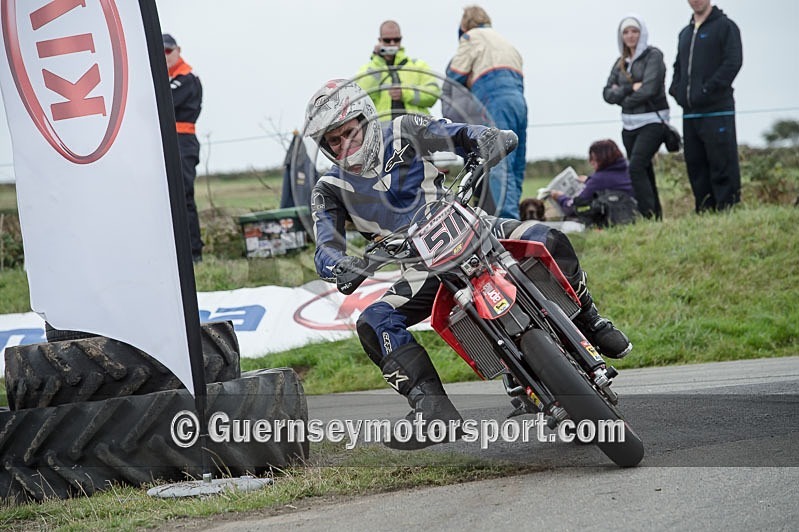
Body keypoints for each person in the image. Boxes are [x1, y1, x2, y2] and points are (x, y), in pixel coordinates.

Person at [304, 79, 631, 448]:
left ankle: (589, 317)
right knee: (373, 320)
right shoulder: (327, 188)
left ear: (365, 118)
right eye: (334, 140)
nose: (345, 145)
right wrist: (339, 264)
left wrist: (485, 139)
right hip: (418, 267)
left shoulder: (403, 129)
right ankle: (432, 410)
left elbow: (456, 134)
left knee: (546, 237)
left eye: (349, 132)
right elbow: (325, 246)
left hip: (470, 225)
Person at [446, 5, 527, 220]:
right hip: (519, 100)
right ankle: (515, 216)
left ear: (465, 25)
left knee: (500, 161)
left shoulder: (471, 38)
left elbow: (454, 75)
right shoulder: (506, 43)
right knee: (517, 160)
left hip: (495, 100)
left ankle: (507, 220)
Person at [669, 0, 743, 213]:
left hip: (717, 108)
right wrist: (677, 91)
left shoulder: (726, 26)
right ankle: (704, 210)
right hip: (690, 111)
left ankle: (728, 208)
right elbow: (678, 67)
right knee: (695, 161)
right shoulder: (685, 33)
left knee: (721, 159)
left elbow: (733, 62)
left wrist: (707, 90)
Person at [602, 15, 669, 220]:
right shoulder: (620, 62)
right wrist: (631, 88)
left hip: (653, 121)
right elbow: (606, 93)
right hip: (629, 125)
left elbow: (649, 89)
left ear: (642, 33)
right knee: (644, 169)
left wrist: (622, 97)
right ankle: (656, 216)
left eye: (634, 31)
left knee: (636, 167)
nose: (630, 36)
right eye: (626, 32)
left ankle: (647, 215)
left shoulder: (653, 56)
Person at [164, 33, 204, 263]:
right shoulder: (165, 78)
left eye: (168, 51)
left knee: (183, 196)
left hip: (182, 141)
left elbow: (163, 102)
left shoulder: (186, 78)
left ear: (178, 50)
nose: (165, 56)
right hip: (168, 141)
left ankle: (194, 253)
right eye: (160, 52)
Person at [355, 20, 441, 121]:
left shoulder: (418, 66)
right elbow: (360, 97)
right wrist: (377, 60)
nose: (392, 43)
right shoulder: (369, 68)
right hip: (383, 131)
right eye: (387, 40)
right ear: (380, 40)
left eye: (396, 40)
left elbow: (433, 94)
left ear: (401, 39)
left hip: (416, 130)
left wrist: (404, 93)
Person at [550, 139, 637, 227]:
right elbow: (613, 182)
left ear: (603, 158)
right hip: (633, 213)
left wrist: (560, 197)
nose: (591, 162)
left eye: (593, 158)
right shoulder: (629, 169)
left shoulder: (599, 179)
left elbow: (572, 208)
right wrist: (589, 180)